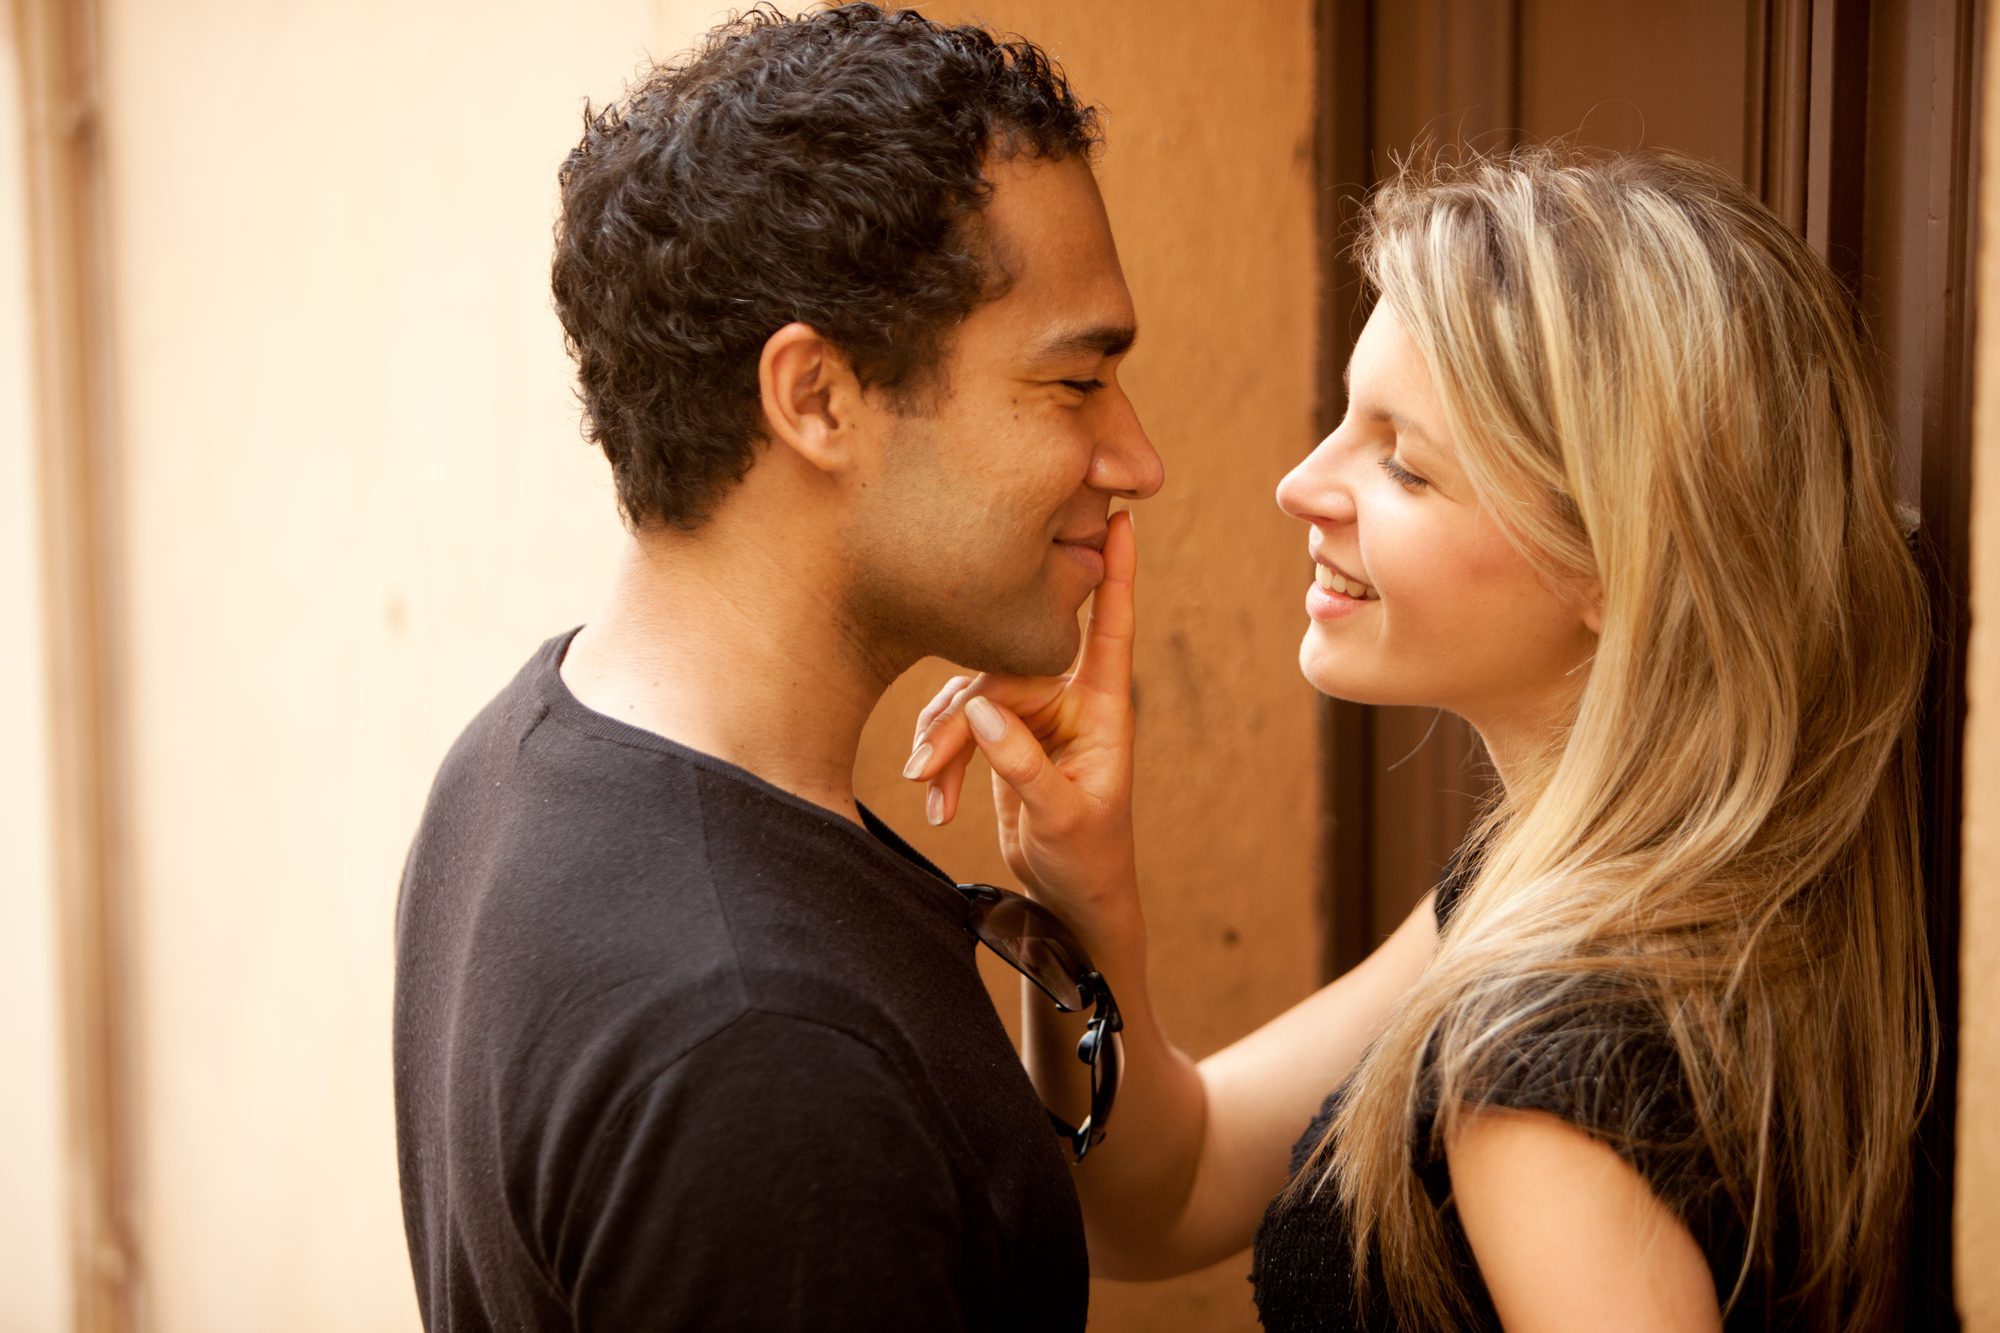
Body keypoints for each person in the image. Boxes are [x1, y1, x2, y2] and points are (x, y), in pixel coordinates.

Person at [908, 147, 1932, 1330]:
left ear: (1618, 556)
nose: (1300, 484)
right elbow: (1162, 1198)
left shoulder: (1543, 1067)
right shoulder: (1572, 893)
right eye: (1346, 421)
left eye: (1403, 463)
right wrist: (1078, 892)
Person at [391, 6, 1162, 1329]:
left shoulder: (531, 749)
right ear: (816, 399)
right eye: (1075, 383)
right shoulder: (768, 1059)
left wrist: (1074, 911)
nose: (1136, 457)